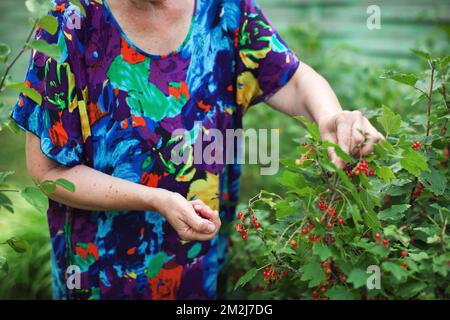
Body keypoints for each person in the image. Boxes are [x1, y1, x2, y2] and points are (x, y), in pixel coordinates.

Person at [10, 0, 383, 299]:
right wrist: (154, 198)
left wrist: (331, 117)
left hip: (199, 275)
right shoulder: (70, 23)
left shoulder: (224, 11)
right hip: (101, 280)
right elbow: (49, 172)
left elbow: (294, 79)